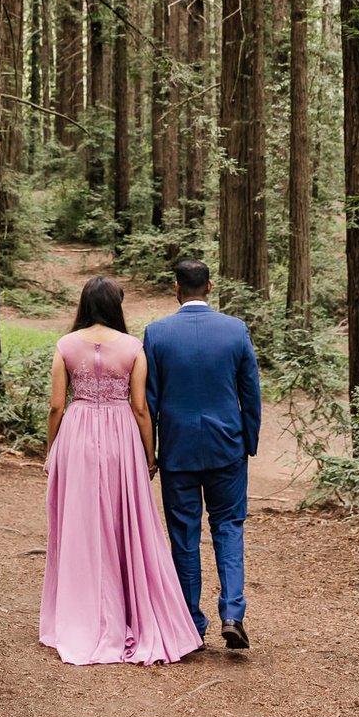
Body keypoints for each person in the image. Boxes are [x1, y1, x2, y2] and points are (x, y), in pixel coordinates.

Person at [39, 275, 203, 666]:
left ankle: (81, 613)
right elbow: (141, 407)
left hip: (77, 436)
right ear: (116, 305)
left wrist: (51, 450)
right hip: (120, 437)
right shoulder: (132, 347)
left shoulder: (65, 345)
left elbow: (57, 406)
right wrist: (149, 455)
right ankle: (128, 610)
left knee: (80, 522)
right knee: (124, 520)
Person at [144, 259, 262, 650]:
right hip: (227, 446)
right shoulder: (235, 330)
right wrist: (249, 441)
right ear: (210, 287)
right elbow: (251, 393)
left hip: (178, 450)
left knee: (185, 535)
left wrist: (151, 451)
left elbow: (149, 399)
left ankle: (192, 624)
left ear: (176, 287)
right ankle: (232, 612)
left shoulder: (156, 334)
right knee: (229, 527)